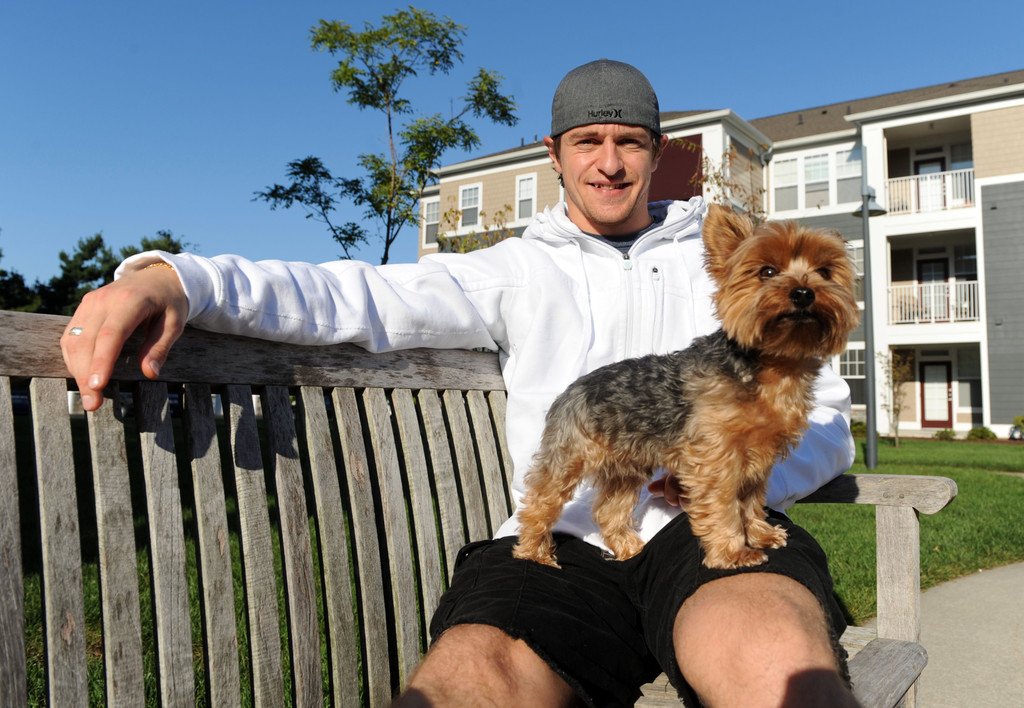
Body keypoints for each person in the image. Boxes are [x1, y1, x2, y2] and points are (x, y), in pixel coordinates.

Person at [63, 59, 859, 706]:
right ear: (554, 154)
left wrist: (744, 480)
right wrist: (184, 279)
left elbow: (825, 418)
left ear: (658, 151)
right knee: (471, 678)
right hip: (565, 546)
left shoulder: (734, 263)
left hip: (705, 535)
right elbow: (358, 295)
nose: (610, 162)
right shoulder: (512, 270)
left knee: (772, 657)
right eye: (588, 141)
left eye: (629, 141)